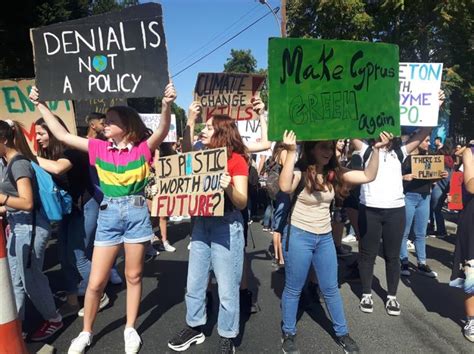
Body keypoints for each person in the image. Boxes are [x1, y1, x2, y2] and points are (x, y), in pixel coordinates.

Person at [29, 82, 176, 354]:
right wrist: (41, 105)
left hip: (136, 214)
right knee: (96, 282)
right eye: (105, 121)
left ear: (127, 126)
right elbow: (61, 134)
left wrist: (166, 105)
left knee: (134, 276)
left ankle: (130, 328)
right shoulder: (98, 148)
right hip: (108, 215)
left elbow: (163, 130)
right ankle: (86, 332)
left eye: (111, 121)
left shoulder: (142, 149)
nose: (104, 124)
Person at [278, 130, 391, 354]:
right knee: (294, 288)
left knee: (330, 288)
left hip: (324, 239)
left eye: (330, 147)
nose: (328, 152)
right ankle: (288, 333)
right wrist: (291, 151)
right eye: (323, 147)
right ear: (311, 149)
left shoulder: (335, 173)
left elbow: (368, 176)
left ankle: (342, 333)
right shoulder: (300, 172)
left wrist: (377, 150)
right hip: (299, 236)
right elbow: (284, 187)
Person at [168, 114, 248, 353]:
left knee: (227, 287)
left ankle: (227, 334)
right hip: (202, 225)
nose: (204, 130)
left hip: (227, 225)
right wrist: (190, 119)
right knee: (194, 282)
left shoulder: (236, 161)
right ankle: (194, 327)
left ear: (221, 132)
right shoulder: (201, 156)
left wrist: (229, 187)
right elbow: (184, 155)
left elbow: (242, 202)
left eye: (209, 127)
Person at [0, 120, 62, 341]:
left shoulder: (18, 164)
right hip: (20, 226)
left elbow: (26, 202)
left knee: (31, 278)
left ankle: (53, 319)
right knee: (15, 280)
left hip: (31, 227)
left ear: (4, 140)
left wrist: (2, 199)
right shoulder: (8, 162)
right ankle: (14, 326)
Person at [399, 134, 447, 278]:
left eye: (429, 141)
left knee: (421, 233)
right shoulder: (404, 157)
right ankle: (404, 262)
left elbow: (431, 178)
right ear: (417, 141)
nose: (428, 143)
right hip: (408, 196)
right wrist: (403, 177)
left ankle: (422, 263)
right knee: (404, 231)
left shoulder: (430, 157)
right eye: (426, 141)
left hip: (425, 197)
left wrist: (440, 176)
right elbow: (391, 176)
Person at [450, 146, 474, 342]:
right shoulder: (470, 152)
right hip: (472, 220)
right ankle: (471, 320)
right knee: (472, 271)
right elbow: (470, 185)